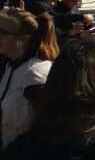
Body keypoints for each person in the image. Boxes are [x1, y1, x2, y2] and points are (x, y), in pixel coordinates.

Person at [0, 9, 57, 146]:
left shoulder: (36, 74)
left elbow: (49, 127)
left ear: (24, 39)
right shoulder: (10, 66)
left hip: (29, 154)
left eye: (2, 32)